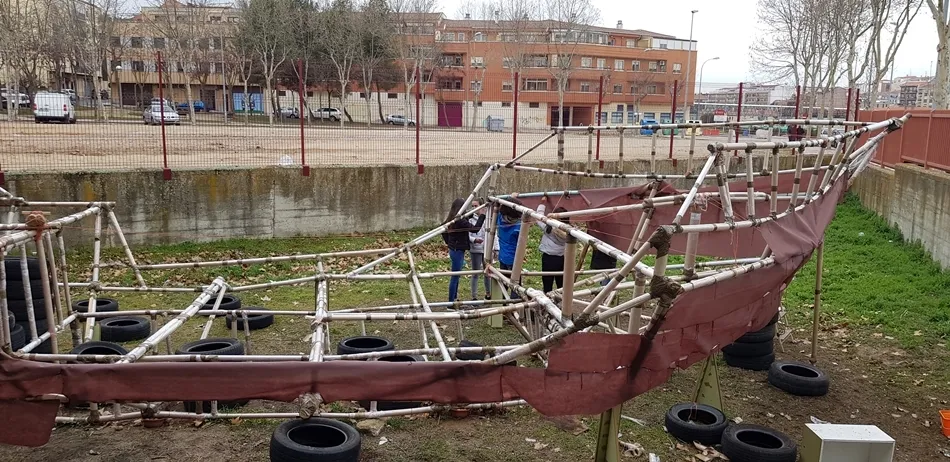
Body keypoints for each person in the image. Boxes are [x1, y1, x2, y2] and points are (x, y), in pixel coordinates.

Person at [442, 198, 486, 303]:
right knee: (455, 276)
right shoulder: (459, 220)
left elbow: (467, 216)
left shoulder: (452, 217)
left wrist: (449, 243)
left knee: (456, 275)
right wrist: (482, 215)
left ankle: (454, 298)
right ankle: (450, 303)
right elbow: (475, 229)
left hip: (455, 250)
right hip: (456, 250)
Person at [536, 204, 569, 293]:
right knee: (561, 283)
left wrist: (542, 204)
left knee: (547, 283)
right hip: (561, 259)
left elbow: (538, 217)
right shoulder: (569, 231)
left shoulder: (548, 228)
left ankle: (548, 301)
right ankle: (561, 302)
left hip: (548, 258)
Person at [468, 199, 490, 300]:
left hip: (487, 249)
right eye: (472, 206)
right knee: (475, 272)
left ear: (482, 207)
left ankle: (489, 294)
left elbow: (494, 234)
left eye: (475, 206)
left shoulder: (488, 218)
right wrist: (474, 240)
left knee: (488, 272)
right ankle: (474, 296)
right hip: (475, 249)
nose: (473, 208)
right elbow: (467, 234)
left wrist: (495, 248)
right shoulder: (470, 218)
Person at [495, 195, 524, 271]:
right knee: (515, 281)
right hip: (513, 259)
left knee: (503, 280)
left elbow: (503, 207)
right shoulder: (519, 227)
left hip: (502, 256)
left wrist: (511, 197)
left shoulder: (500, 218)